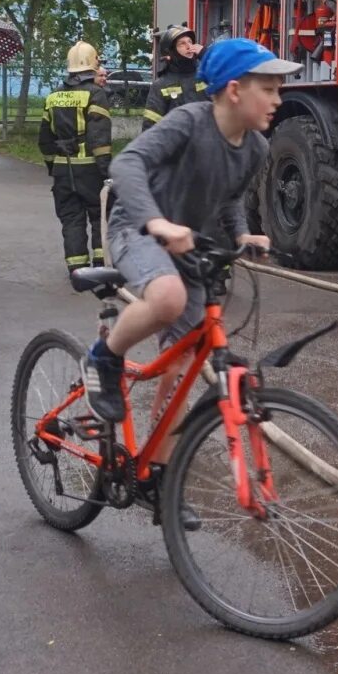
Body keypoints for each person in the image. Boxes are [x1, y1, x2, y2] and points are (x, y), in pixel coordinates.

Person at [79, 38, 294, 427]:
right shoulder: (189, 121)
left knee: (181, 362)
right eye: (268, 89)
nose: (277, 99)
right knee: (167, 297)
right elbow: (127, 163)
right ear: (233, 90)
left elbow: (230, 199)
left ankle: (160, 469)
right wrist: (157, 222)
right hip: (137, 226)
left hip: (188, 244)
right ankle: (103, 356)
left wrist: (243, 235)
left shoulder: (256, 148)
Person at [41, 41, 114, 270]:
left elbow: (44, 141)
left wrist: (54, 166)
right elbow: (99, 140)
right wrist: (107, 173)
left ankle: (77, 268)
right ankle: (101, 264)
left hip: (63, 171)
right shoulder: (96, 94)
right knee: (99, 215)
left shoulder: (53, 97)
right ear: (93, 65)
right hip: (91, 169)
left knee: (71, 219)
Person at [143, 25, 206, 125]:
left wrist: (205, 54)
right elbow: (151, 126)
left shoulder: (205, 76)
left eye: (190, 42)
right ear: (170, 51)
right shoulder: (160, 85)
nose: (189, 46)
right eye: (182, 44)